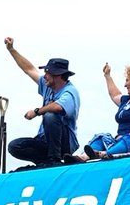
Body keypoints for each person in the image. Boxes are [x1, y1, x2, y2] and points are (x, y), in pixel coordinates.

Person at [4, 37, 80, 167]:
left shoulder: (70, 92)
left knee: (50, 115)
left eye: (47, 73)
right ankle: (44, 162)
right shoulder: (47, 85)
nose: (44, 76)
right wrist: (11, 50)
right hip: (45, 140)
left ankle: (54, 160)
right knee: (14, 146)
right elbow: (29, 69)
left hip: (64, 143)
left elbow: (57, 107)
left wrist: (36, 112)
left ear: (57, 75)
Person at [82, 64, 130, 159]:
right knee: (101, 137)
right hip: (121, 140)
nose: (125, 85)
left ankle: (106, 154)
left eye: (127, 80)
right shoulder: (126, 100)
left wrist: (128, 136)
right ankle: (84, 157)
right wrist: (107, 76)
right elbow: (114, 94)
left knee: (129, 140)